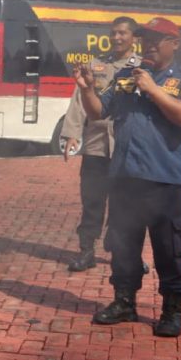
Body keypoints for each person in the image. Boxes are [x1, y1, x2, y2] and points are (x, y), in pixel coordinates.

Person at [75, 17, 181, 337]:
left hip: (164, 180)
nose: (148, 45)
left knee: (170, 248)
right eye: (145, 39)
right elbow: (97, 111)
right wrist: (87, 88)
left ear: (174, 44)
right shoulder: (125, 76)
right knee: (123, 245)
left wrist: (153, 90)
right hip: (125, 177)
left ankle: (171, 311)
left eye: (156, 40)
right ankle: (124, 301)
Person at [61, 16, 140, 272]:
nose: (117, 37)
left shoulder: (141, 68)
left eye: (122, 33)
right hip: (96, 146)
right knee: (92, 200)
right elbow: (79, 100)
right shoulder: (95, 65)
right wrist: (72, 134)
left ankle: (125, 253)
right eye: (113, 33)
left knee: (125, 203)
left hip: (126, 148)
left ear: (133, 38)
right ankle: (86, 251)